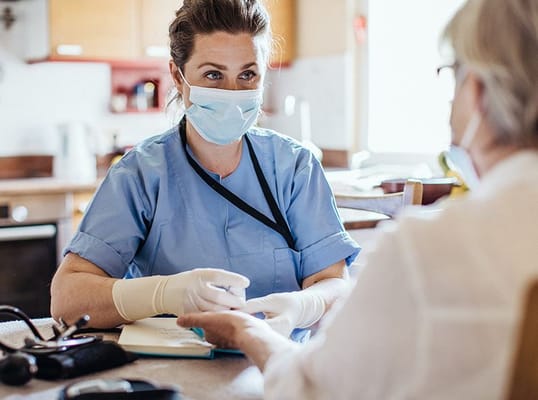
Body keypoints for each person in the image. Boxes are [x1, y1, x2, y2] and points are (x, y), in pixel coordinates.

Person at [177, 0, 538, 397]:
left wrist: (248, 332)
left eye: (453, 75)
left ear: (477, 90)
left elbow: (314, 390)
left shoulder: (428, 248)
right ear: (179, 79)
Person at [50, 0, 360, 333]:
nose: (232, 92)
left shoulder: (295, 168)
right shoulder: (140, 174)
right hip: (169, 370)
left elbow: (334, 282)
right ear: (177, 76)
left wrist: (303, 305)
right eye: (213, 74)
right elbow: (68, 301)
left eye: (247, 74)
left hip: (277, 365)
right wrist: (161, 294)